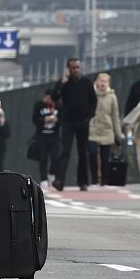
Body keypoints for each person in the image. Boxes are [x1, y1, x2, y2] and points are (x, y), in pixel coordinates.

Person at [53, 58, 97, 191]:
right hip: (68, 122)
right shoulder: (63, 83)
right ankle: (59, 180)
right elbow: (55, 97)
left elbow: (93, 101)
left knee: (83, 152)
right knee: (65, 151)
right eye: (73, 67)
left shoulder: (86, 82)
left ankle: (83, 181)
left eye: (78, 67)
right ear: (68, 69)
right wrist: (62, 83)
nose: (76, 70)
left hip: (83, 122)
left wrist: (89, 117)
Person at [88, 73, 123, 186]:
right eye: (101, 81)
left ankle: (104, 180)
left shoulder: (112, 96)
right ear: (96, 82)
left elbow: (115, 115)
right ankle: (94, 179)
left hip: (107, 130)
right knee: (92, 154)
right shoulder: (91, 94)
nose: (103, 83)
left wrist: (118, 134)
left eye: (105, 81)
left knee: (105, 157)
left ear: (108, 83)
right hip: (92, 129)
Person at [31, 90, 61, 190]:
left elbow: (63, 119)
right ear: (47, 97)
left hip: (54, 136)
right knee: (43, 158)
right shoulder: (39, 105)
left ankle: (52, 175)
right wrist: (44, 120)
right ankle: (44, 179)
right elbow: (34, 119)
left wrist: (57, 120)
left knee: (55, 157)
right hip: (42, 136)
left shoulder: (58, 105)